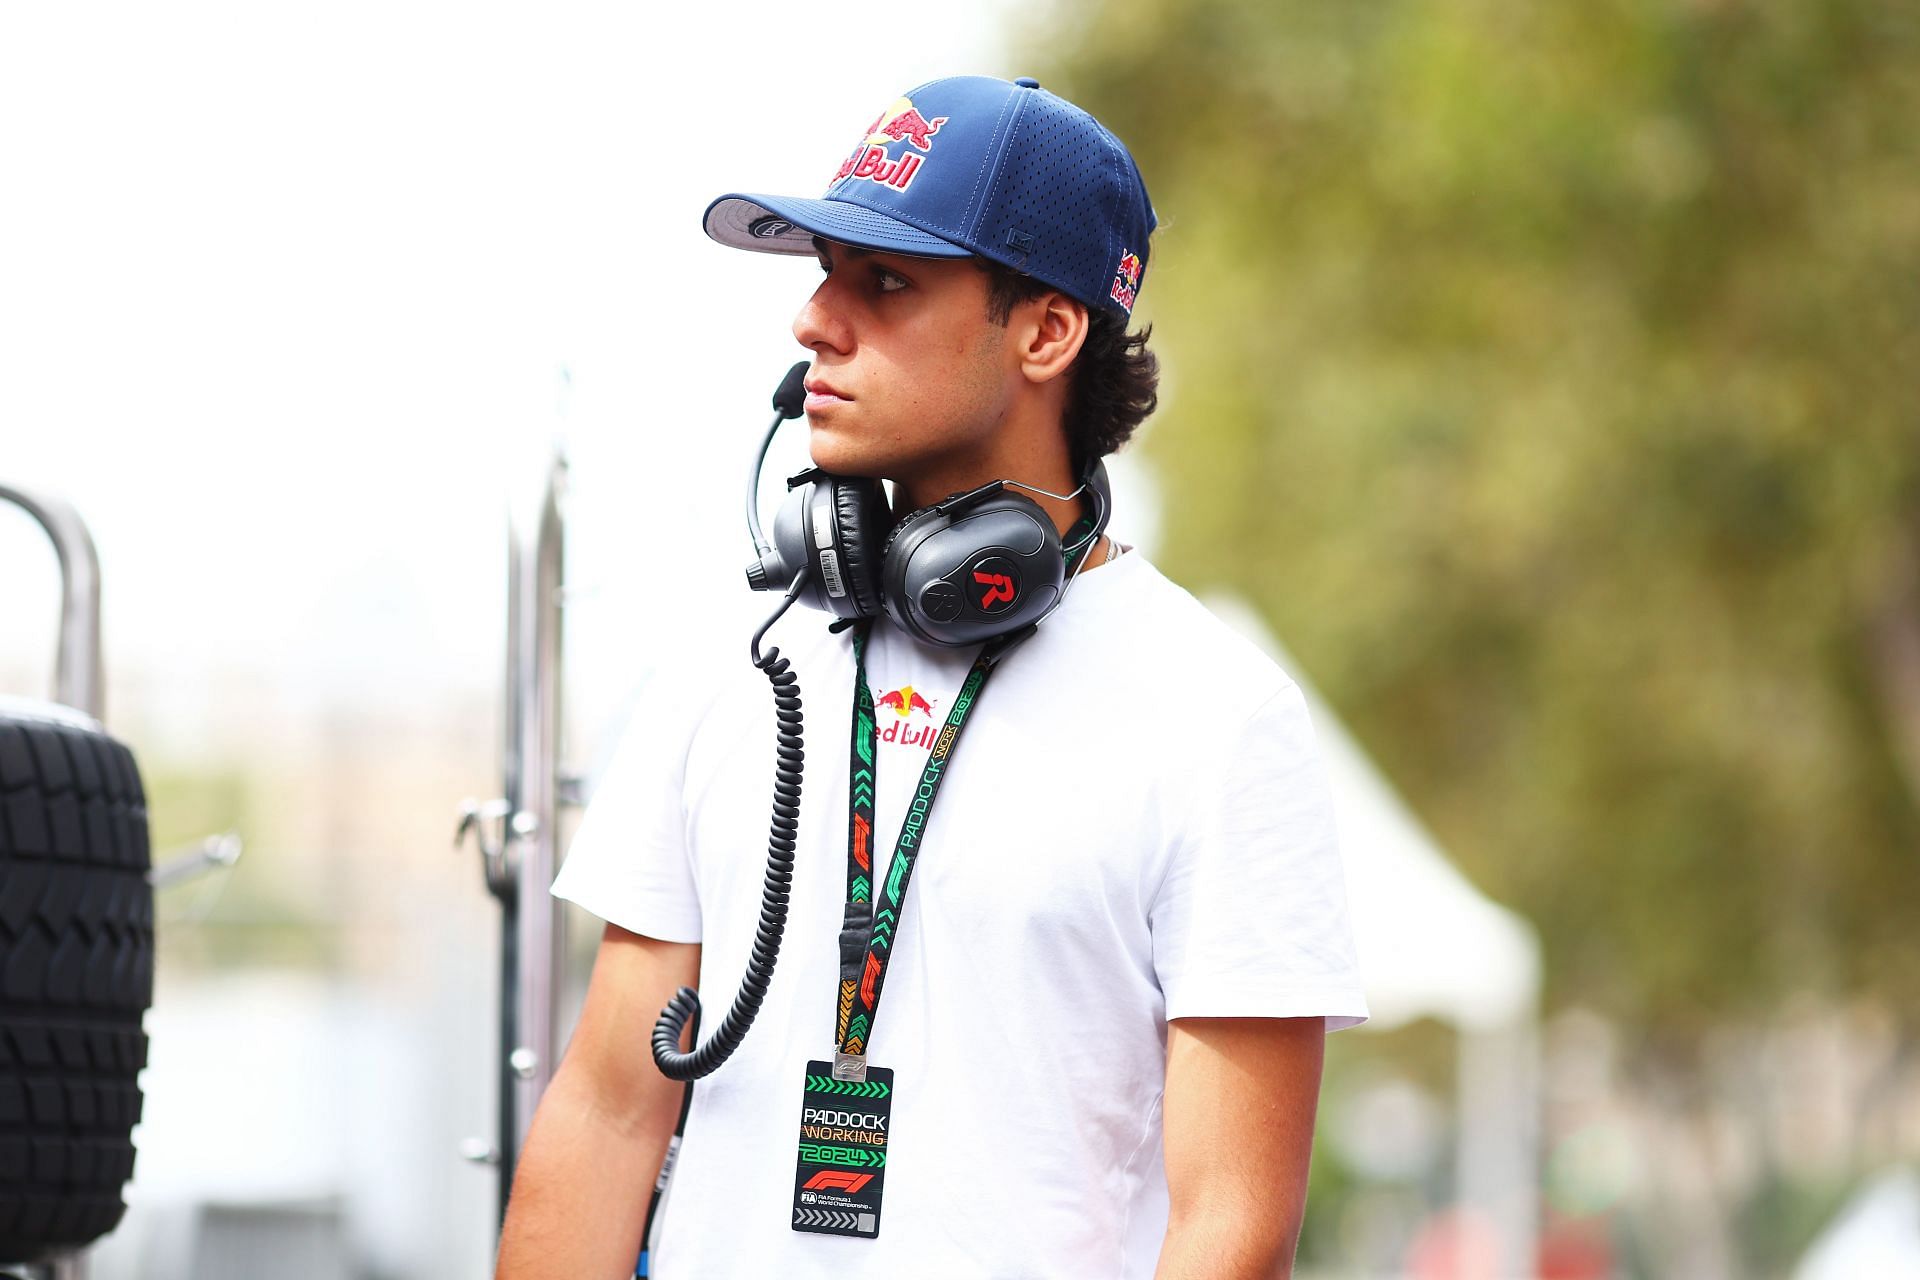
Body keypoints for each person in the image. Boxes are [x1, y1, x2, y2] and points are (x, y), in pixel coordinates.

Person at [496, 75, 1367, 1280]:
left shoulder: (1220, 720)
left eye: (885, 282)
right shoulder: (727, 666)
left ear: (1048, 332)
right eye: (822, 271)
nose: (813, 321)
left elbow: (1230, 1226)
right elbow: (603, 1113)